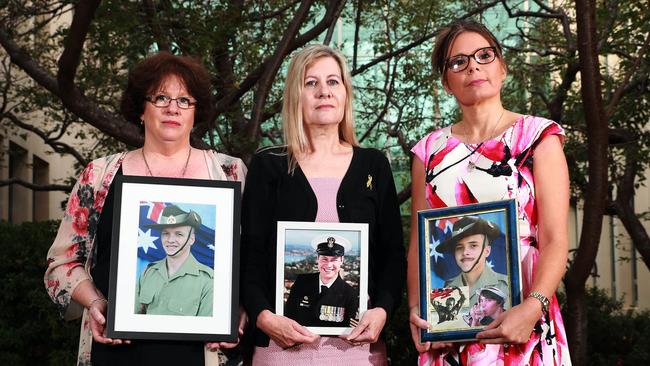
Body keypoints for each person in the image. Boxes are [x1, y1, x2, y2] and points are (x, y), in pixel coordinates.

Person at [43, 52, 246, 366]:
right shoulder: (98, 176)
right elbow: (63, 262)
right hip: (116, 349)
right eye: (161, 97)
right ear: (140, 109)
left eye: (184, 100)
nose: (172, 109)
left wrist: (241, 309)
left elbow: (253, 261)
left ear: (196, 111)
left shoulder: (232, 173)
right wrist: (97, 303)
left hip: (204, 352)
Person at [407, 20, 571, 364]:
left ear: (502, 67)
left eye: (484, 55)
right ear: (445, 81)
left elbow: (556, 238)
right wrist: (417, 310)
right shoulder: (428, 151)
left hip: (526, 319)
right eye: (459, 61)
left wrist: (532, 307)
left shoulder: (538, 137)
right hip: (449, 330)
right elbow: (418, 246)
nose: (473, 66)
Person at [241, 44, 406, 365]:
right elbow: (249, 256)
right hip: (280, 351)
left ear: (345, 93)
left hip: (359, 352)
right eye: (311, 82)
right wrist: (264, 317)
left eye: (333, 81)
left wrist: (383, 310)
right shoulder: (269, 165)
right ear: (295, 95)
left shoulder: (374, 165)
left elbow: (393, 256)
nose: (323, 91)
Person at [135, 205, 213, 316]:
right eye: (166, 233)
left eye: (179, 234)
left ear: (191, 239)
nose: (170, 240)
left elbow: (206, 331)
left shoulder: (207, 281)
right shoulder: (148, 273)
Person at [285, 235, 358, 327]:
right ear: (317, 259)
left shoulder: (350, 294)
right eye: (324, 259)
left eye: (334, 260)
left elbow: (348, 329)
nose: (329, 265)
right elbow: (288, 315)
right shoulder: (302, 282)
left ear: (342, 260)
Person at [436, 216, 508, 306]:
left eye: (473, 245)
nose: (465, 252)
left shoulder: (506, 286)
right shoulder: (447, 289)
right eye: (459, 247)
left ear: (487, 251)